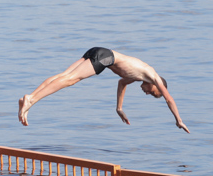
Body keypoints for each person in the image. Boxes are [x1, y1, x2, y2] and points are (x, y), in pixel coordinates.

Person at [18, 47, 190, 133]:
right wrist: (179, 120)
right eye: (152, 93)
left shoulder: (139, 76)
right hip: (106, 58)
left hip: (99, 51)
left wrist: (119, 108)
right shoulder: (154, 76)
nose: (147, 93)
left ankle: (30, 97)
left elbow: (122, 83)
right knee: (70, 80)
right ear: (157, 86)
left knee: (64, 75)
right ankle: (31, 101)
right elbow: (170, 99)